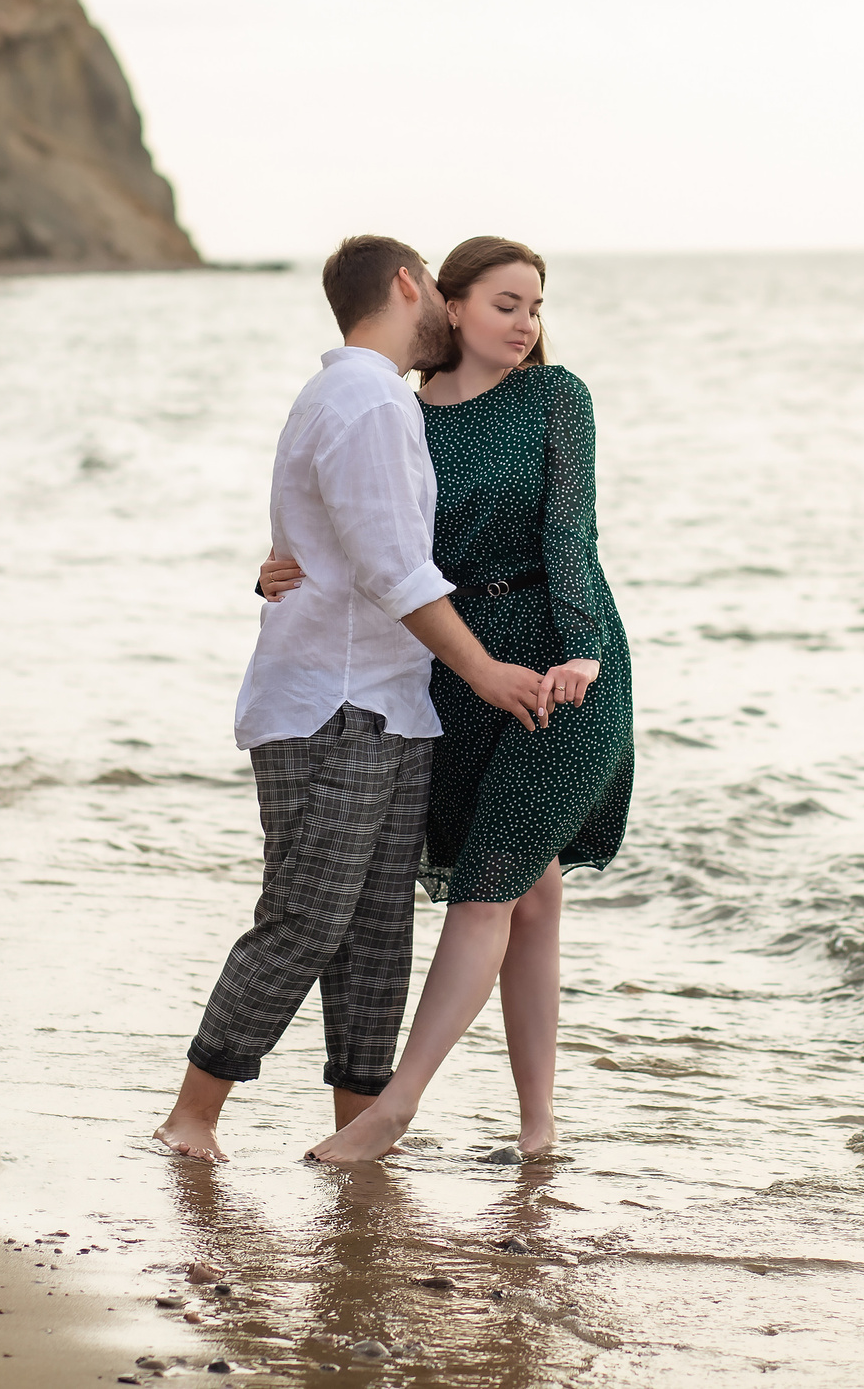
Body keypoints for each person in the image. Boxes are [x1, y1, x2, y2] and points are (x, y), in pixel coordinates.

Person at [153, 234, 550, 1164]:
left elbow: (330, 542)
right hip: (332, 706)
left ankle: (357, 1133)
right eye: (444, 298)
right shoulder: (366, 397)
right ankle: (191, 1116)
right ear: (410, 285)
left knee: (375, 941)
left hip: (388, 703)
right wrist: (486, 669)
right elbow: (390, 565)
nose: (456, 319)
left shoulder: (366, 399)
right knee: (308, 917)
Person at [259, 235, 633, 1164]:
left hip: (560, 671)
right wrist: (279, 573)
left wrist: (581, 650)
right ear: (449, 304)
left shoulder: (556, 397)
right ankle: (539, 1131)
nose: (526, 323)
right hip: (463, 680)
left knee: (487, 887)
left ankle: (396, 1105)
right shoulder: (400, 412)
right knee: (531, 894)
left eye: (536, 306)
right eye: (508, 303)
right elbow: (365, 541)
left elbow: (572, 535)